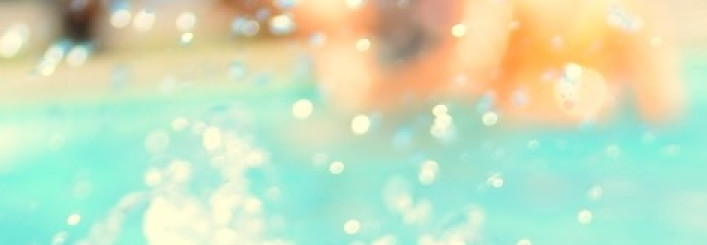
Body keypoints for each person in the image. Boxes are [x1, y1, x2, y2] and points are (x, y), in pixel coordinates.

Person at [291, 0, 686, 125]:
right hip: (592, 127)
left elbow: (464, 73)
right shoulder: (635, 10)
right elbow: (664, 103)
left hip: (510, 126)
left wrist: (371, 96)